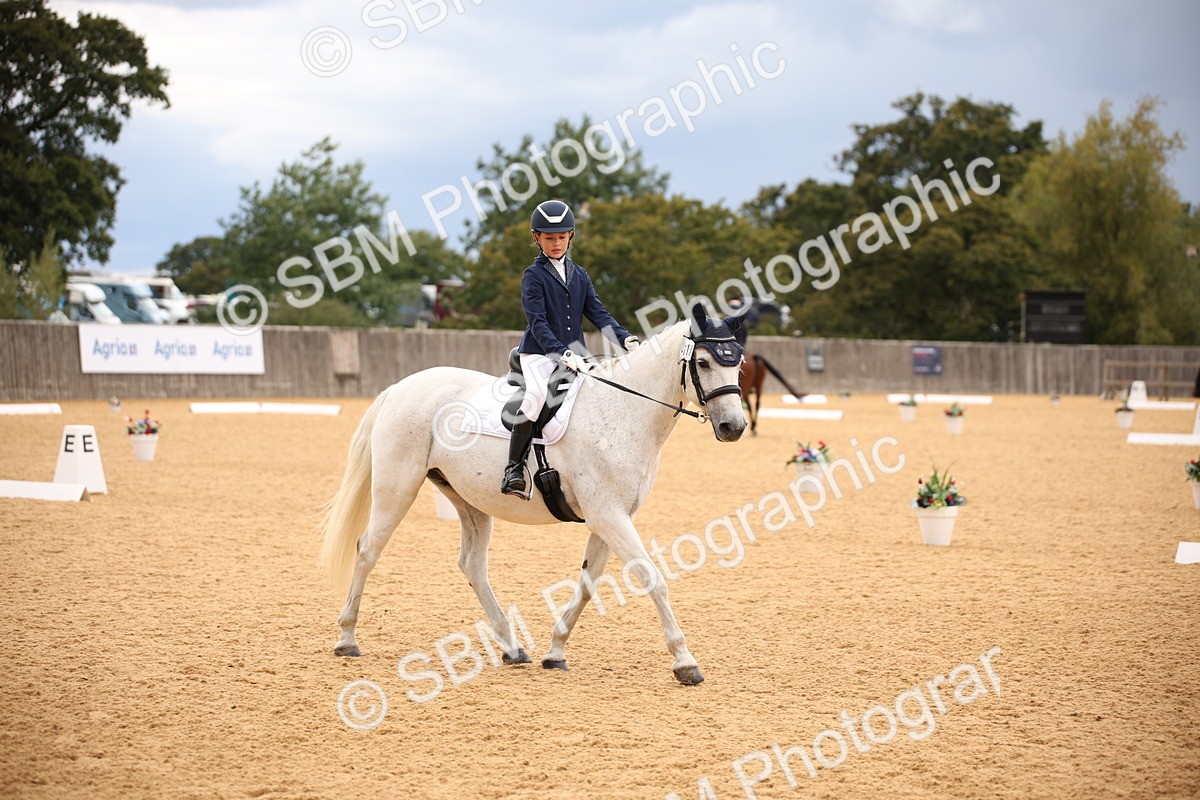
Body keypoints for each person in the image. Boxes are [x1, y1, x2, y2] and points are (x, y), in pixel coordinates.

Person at [501, 200, 640, 497]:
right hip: (539, 354)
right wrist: (560, 353)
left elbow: (599, 314)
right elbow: (537, 323)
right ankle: (513, 468)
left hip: (577, 354)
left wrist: (624, 338)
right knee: (536, 397)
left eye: (562, 237)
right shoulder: (533, 276)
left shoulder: (580, 275)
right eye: (549, 237)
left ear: (571, 236)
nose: (556, 243)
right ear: (536, 238)